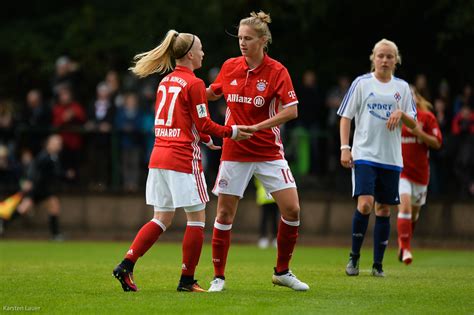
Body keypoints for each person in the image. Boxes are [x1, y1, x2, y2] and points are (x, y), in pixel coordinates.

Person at [112, 29, 253, 293]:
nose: (203, 53)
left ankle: (126, 264)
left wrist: (203, 138)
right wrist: (232, 131)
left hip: (158, 157)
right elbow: (204, 123)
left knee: (162, 218)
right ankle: (187, 280)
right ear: (189, 54)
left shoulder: (165, 82)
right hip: (182, 158)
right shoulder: (195, 83)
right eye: (200, 49)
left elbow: (182, 121)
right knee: (197, 219)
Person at [206, 11, 309, 292]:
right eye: (239, 37)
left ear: (263, 41)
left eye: (248, 38)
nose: (242, 42)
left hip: (268, 152)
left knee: (292, 209)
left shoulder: (277, 71)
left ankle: (282, 272)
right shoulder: (229, 66)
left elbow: (292, 110)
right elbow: (213, 92)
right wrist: (189, 93)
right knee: (224, 214)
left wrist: (261, 125)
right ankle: (218, 277)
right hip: (234, 152)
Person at [338, 38, 417, 277]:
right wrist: (345, 147)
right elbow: (345, 116)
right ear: (373, 57)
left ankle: (378, 265)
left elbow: (413, 123)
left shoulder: (402, 88)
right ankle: (354, 258)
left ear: (396, 60)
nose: (384, 60)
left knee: (383, 209)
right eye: (380, 55)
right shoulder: (361, 83)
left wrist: (401, 113)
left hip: (391, 158)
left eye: (389, 56)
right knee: (365, 204)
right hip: (364, 154)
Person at [397, 86, 442, 265]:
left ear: (416, 97)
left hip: (421, 174)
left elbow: (437, 143)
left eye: (411, 95)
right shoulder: (396, 117)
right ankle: (406, 248)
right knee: (405, 207)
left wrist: (419, 133)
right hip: (401, 172)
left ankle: (404, 241)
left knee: (414, 214)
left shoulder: (427, 118)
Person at [13, 134, 74, 240]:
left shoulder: (54, 156)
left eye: (59, 143)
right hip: (36, 188)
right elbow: (34, 169)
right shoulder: (44, 156)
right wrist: (29, 181)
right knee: (24, 208)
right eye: (56, 143)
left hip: (44, 189)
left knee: (54, 204)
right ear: (49, 144)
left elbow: (55, 172)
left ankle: (55, 234)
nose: (59, 145)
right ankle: (3, 222)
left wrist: (65, 174)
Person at [255, 177, 278, 249]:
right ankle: (263, 238)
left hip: (274, 199)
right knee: (264, 220)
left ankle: (275, 238)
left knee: (274, 220)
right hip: (264, 199)